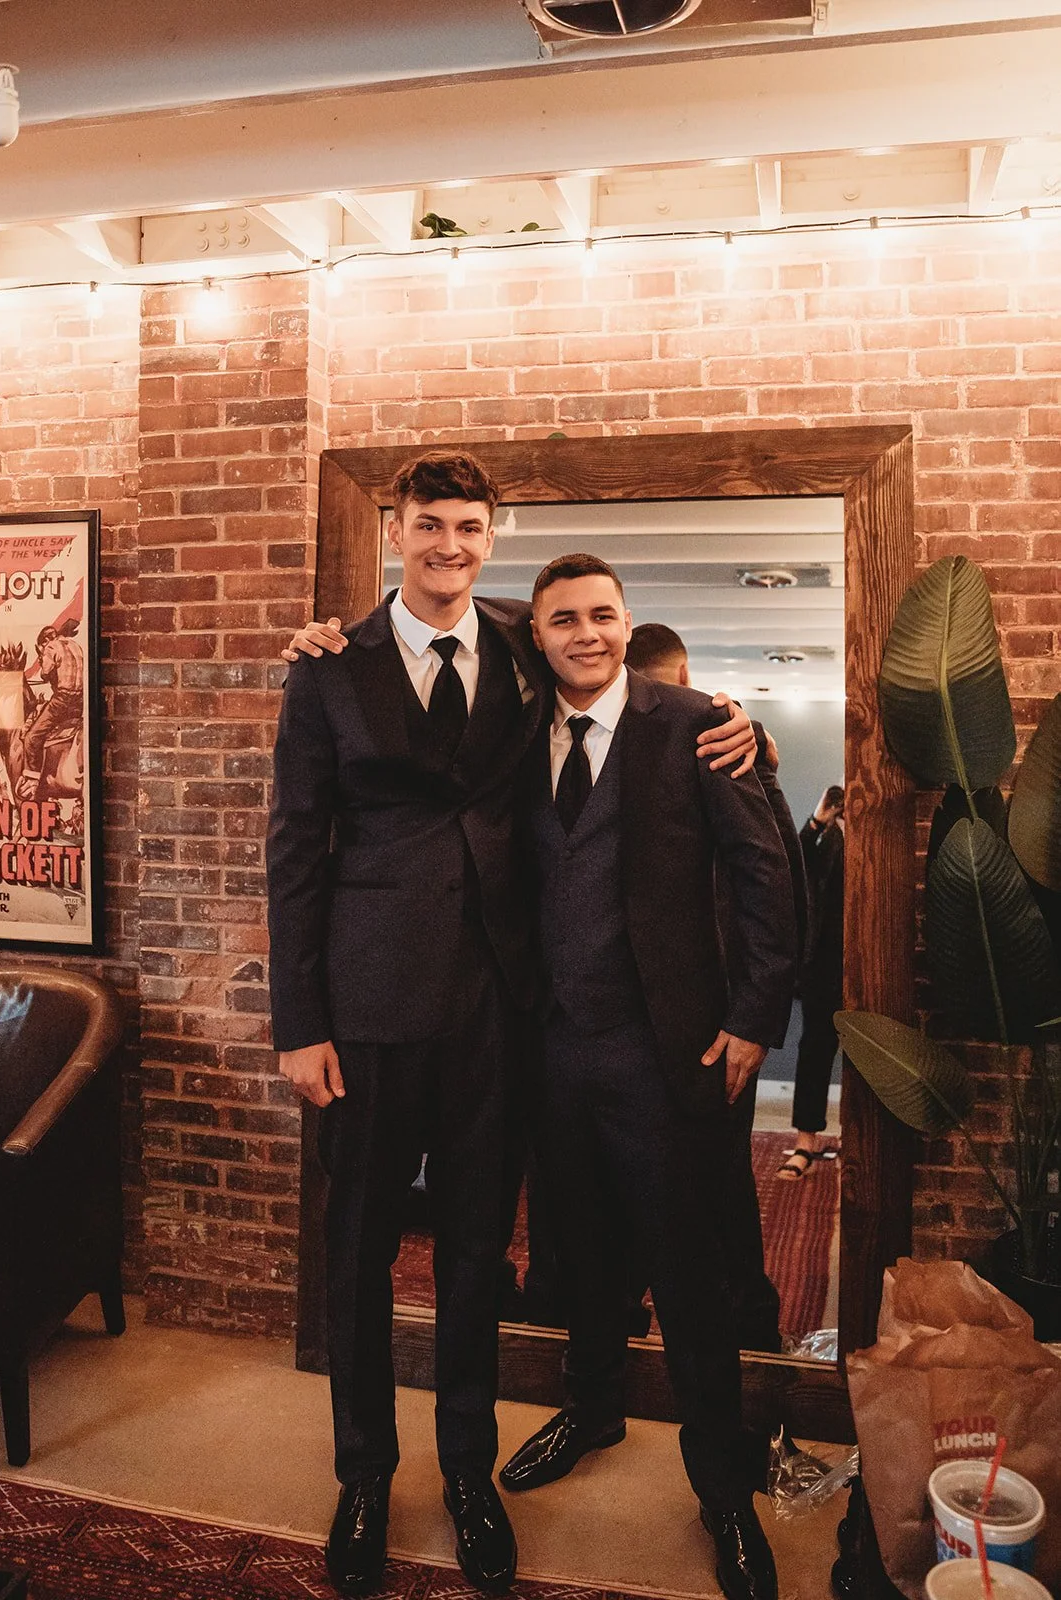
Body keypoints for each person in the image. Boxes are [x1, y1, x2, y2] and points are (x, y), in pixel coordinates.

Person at [270, 450, 759, 1599]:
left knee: (476, 1256)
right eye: (428, 524)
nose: (448, 545)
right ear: (395, 529)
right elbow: (293, 846)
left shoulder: (520, 644)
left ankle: (466, 1475)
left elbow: (627, 694)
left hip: (497, 1011)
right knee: (357, 1254)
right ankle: (363, 1476)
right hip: (367, 1009)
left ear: (491, 536)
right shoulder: (328, 667)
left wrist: (739, 726)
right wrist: (299, 1018)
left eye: (468, 527)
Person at [499, 555, 797, 1600]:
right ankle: (591, 1408)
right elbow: (436, 625)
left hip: (664, 1049)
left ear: (627, 624)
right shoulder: (511, 729)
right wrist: (334, 635)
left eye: (602, 615)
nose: (584, 633)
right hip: (549, 1049)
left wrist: (753, 1017)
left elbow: (764, 871)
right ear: (536, 635)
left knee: (689, 1275)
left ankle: (722, 1488)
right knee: (579, 1253)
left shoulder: (696, 725)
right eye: (562, 619)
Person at [623, 620, 807, 1355]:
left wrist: (754, 1016)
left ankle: (745, 1338)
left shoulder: (721, 741)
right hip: (621, 1019)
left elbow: (773, 877)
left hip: (710, 1016)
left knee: (715, 1187)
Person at [776, 785, 844, 1181]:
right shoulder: (830, 836)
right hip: (824, 965)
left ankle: (857, 1138)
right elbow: (794, 867)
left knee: (868, 1057)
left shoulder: (877, 834)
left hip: (867, 959)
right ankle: (805, 1143)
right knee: (815, 1049)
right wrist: (819, 819)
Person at [18, 620, 84, 801]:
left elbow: (45, 673)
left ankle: (32, 782)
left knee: (32, 737)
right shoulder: (75, 646)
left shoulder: (50, 647)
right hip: (80, 702)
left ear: (45, 641)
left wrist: (43, 659)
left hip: (62, 700)